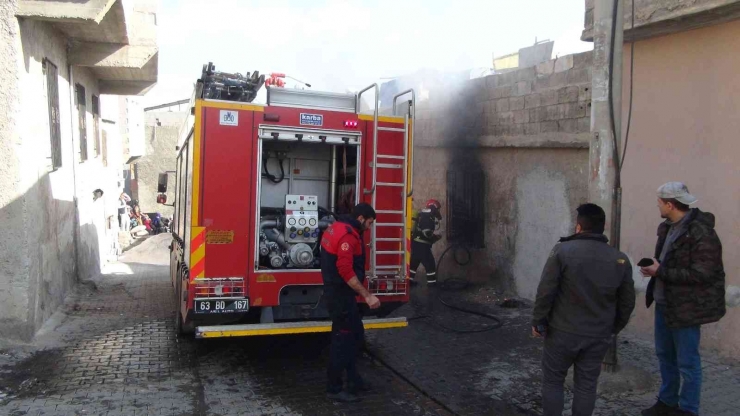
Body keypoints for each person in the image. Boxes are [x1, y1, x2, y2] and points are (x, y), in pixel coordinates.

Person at [532, 203, 636, 416]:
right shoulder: (620, 259)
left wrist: (538, 322)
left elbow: (546, 291)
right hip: (598, 335)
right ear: (602, 227)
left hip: (562, 332)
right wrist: (612, 328)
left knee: (553, 382)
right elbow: (627, 302)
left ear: (578, 227)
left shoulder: (562, 251)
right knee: (586, 386)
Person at [639, 182, 725, 416]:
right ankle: (667, 402)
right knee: (665, 356)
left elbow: (703, 274)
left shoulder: (701, 232)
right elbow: (667, 263)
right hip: (664, 303)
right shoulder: (666, 227)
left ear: (670, 204)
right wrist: (653, 269)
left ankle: (688, 409)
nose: (657, 205)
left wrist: (661, 272)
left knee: (687, 362)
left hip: (687, 308)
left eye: (659, 202)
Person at [320, 202, 381, 403]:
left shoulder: (337, 227)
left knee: (355, 335)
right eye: (370, 223)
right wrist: (367, 295)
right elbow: (345, 270)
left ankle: (354, 380)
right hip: (340, 296)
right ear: (361, 219)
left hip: (340, 294)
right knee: (342, 340)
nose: (369, 228)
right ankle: (334, 388)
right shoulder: (347, 235)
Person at [410, 199, 443, 285]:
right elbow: (427, 232)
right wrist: (435, 237)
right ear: (434, 208)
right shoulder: (427, 216)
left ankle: (409, 281)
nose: (439, 211)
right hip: (422, 245)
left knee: (414, 263)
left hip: (417, 244)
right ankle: (432, 284)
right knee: (430, 264)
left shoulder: (425, 215)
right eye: (438, 209)